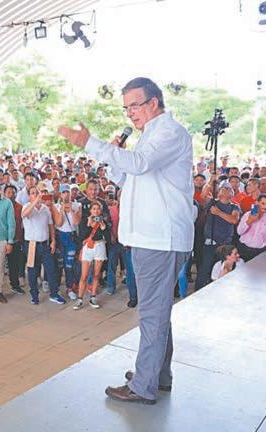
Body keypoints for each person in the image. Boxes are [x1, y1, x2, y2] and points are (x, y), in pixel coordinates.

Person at [59, 77, 195, 405]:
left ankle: (143, 386)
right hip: (150, 238)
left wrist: (91, 143)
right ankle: (156, 375)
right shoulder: (149, 136)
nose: (130, 113)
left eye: (134, 105)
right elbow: (129, 177)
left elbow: (140, 164)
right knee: (157, 312)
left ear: (153, 103)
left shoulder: (168, 132)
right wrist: (112, 157)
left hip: (160, 239)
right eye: (126, 108)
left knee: (152, 314)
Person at [21, 186, 65, 305]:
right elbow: (24, 214)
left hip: (45, 244)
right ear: (29, 196)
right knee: (32, 271)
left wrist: (53, 240)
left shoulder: (45, 208)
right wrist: (35, 201)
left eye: (37, 193)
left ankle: (54, 294)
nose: (36, 195)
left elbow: (50, 225)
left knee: (51, 270)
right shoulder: (26, 206)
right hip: (32, 244)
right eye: (33, 193)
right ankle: (34, 295)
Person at [194, 182, 240, 290]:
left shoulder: (234, 207)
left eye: (229, 189)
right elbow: (203, 195)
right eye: (223, 188)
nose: (226, 189)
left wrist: (218, 213)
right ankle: (199, 291)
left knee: (223, 268)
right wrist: (211, 180)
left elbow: (234, 220)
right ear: (219, 193)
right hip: (210, 243)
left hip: (225, 245)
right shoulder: (212, 203)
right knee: (205, 269)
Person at [73, 201, 108, 310]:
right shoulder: (85, 220)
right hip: (88, 247)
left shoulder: (103, 221)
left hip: (99, 246)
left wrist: (103, 227)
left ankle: (93, 296)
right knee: (84, 275)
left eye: (98, 209)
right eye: (94, 209)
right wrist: (88, 224)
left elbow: (107, 237)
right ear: (90, 210)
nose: (96, 211)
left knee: (96, 274)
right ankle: (80, 298)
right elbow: (81, 236)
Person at [54, 184, 81, 299]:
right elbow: (59, 223)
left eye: (67, 192)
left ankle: (70, 288)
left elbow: (76, 222)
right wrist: (62, 209)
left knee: (69, 264)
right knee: (59, 264)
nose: (66, 194)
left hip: (71, 237)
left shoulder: (77, 205)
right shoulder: (55, 206)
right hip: (60, 236)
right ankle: (56, 288)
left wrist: (71, 210)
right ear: (60, 194)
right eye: (63, 192)